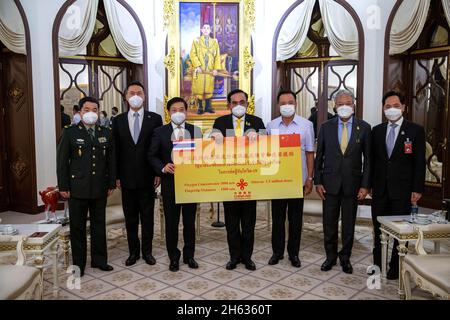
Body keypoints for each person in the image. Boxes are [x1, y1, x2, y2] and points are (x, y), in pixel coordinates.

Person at [57, 96, 116, 277]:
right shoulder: (70, 132)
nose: (91, 113)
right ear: (80, 112)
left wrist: (111, 182)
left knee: (99, 225)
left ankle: (99, 260)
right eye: (87, 110)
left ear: (98, 112)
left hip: (99, 186)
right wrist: (63, 186)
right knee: (78, 227)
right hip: (77, 187)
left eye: (94, 110)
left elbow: (111, 160)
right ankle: (79, 264)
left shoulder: (106, 132)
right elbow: (62, 162)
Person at [314, 89, 371, 274]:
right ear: (334, 106)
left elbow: (368, 159)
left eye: (347, 103)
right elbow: (319, 157)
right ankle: (330, 257)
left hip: (352, 184)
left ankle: (345, 257)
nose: (344, 107)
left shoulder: (364, 127)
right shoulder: (326, 126)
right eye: (340, 104)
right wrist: (318, 181)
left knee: (348, 224)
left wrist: (365, 185)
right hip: (329, 183)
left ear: (353, 105)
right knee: (329, 223)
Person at [370, 91, 425, 280]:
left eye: (395, 105)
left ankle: (396, 267)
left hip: (403, 191)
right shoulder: (376, 131)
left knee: (401, 233)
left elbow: (419, 162)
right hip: (380, 190)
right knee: (378, 232)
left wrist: (417, 188)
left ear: (404, 107)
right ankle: (377, 265)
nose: (391, 109)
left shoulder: (415, 130)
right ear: (383, 109)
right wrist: (368, 185)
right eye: (387, 106)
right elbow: (372, 161)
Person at [212, 89, 265, 271]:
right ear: (229, 106)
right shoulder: (220, 122)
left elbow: (267, 147)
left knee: (249, 223)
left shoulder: (256, 122)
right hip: (228, 180)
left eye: (242, 102)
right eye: (234, 103)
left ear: (247, 104)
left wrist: (260, 138)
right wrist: (213, 138)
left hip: (250, 179)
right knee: (232, 223)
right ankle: (234, 257)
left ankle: (247, 257)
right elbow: (211, 150)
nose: (238, 106)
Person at [112, 81, 163, 267]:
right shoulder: (117, 120)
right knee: (131, 218)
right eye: (131, 92)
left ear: (144, 96)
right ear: (126, 97)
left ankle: (147, 252)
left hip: (148, 177)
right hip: (125, 178)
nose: (135, 95)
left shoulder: (155, 119)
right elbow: (115, 150)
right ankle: (133, 252)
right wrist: (115, 175)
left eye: (139, 92)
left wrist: (159, 172)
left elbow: (158, 149)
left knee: (148, 217)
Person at [149, 97, 202, 272]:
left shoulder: (196, 131)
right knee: (171, 223)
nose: (178, 113)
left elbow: (203, 156)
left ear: (186, 112)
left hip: (190, 184)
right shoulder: (160, 132)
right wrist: (162, 167)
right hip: (170, 184)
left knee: (189, 222)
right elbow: (151, 155)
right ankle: (174, 256)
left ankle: (189, 255)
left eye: (181, 109)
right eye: (174, 110)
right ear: (168, 112)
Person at [265, 90, 315, 268]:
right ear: (278, 105)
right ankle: (277, 252)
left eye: (290, 102)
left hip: (297, 181)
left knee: (295, 220)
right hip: (277, 180)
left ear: (296, 104)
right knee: (278, 219)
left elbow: (310, 153)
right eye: (283, 102)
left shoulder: (306, 125)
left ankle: (294, 253)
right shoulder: (270, 126)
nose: (287, 105)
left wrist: (310, 177)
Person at [190, 23, 221, 115]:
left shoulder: (214, 42)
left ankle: (208, 107)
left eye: (208, 28)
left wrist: (216, 69)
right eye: (204, 28)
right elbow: (193, 54)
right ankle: (200, 107)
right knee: (199, 88)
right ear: (201, 30)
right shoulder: (196, 41)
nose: (206, 30)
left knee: (209, 88)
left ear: (210, 30)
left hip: (210, 70)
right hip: (200, 70)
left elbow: (217, 56)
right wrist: (197, 66)